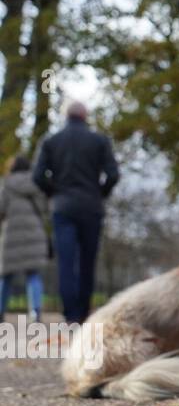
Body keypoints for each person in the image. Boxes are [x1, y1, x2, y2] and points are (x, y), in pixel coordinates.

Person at [32, 101, 118, 323]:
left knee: (66, 262)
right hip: (91, 207)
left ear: (66, 116)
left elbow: (38, 176)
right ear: (85, 115)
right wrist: (100, 193)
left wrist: (55, 192)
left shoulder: (51, 141)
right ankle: (82, 314)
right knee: (88, 262)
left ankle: (70, 313)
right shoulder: (99, 141)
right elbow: (113, 174)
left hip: (63, 208)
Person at [0, 156, 48, 322]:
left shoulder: (7, 184)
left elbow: (1, 209)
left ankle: (0, 311)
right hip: (34, 233)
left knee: (6, 276)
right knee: (33, 274)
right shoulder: (35, 184)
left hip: (11, 235)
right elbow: (43, 208)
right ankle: (35, 312)